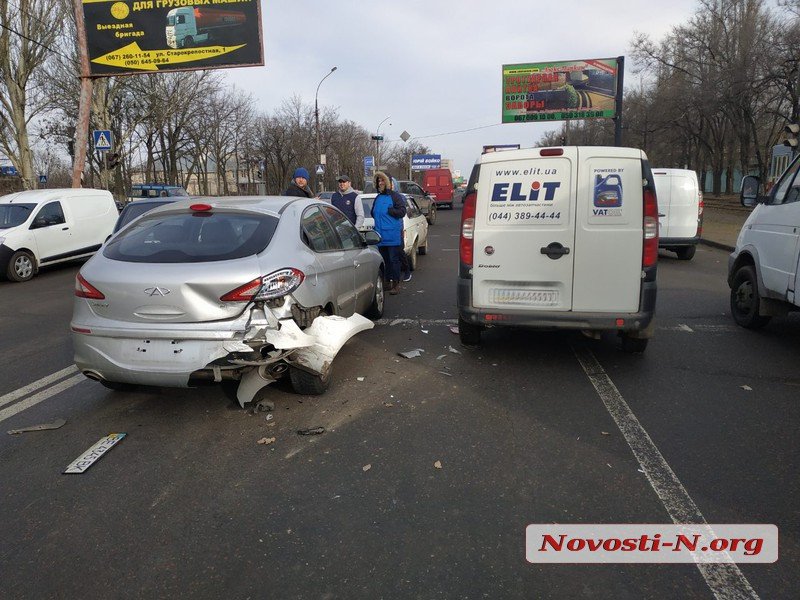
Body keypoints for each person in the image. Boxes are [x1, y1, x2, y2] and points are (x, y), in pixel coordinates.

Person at [371, 171, 406, 294]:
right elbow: (372, 212)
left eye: (382, 180)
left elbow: (402, 212)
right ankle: (387, 281)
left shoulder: (395, 196)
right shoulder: (378, 197)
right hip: (381, 236)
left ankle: (396, 284)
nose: (380, 183)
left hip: (392, 236)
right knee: (385, 260)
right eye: (378, 181)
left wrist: (392, 211)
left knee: (394, 260)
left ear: (387, 182)